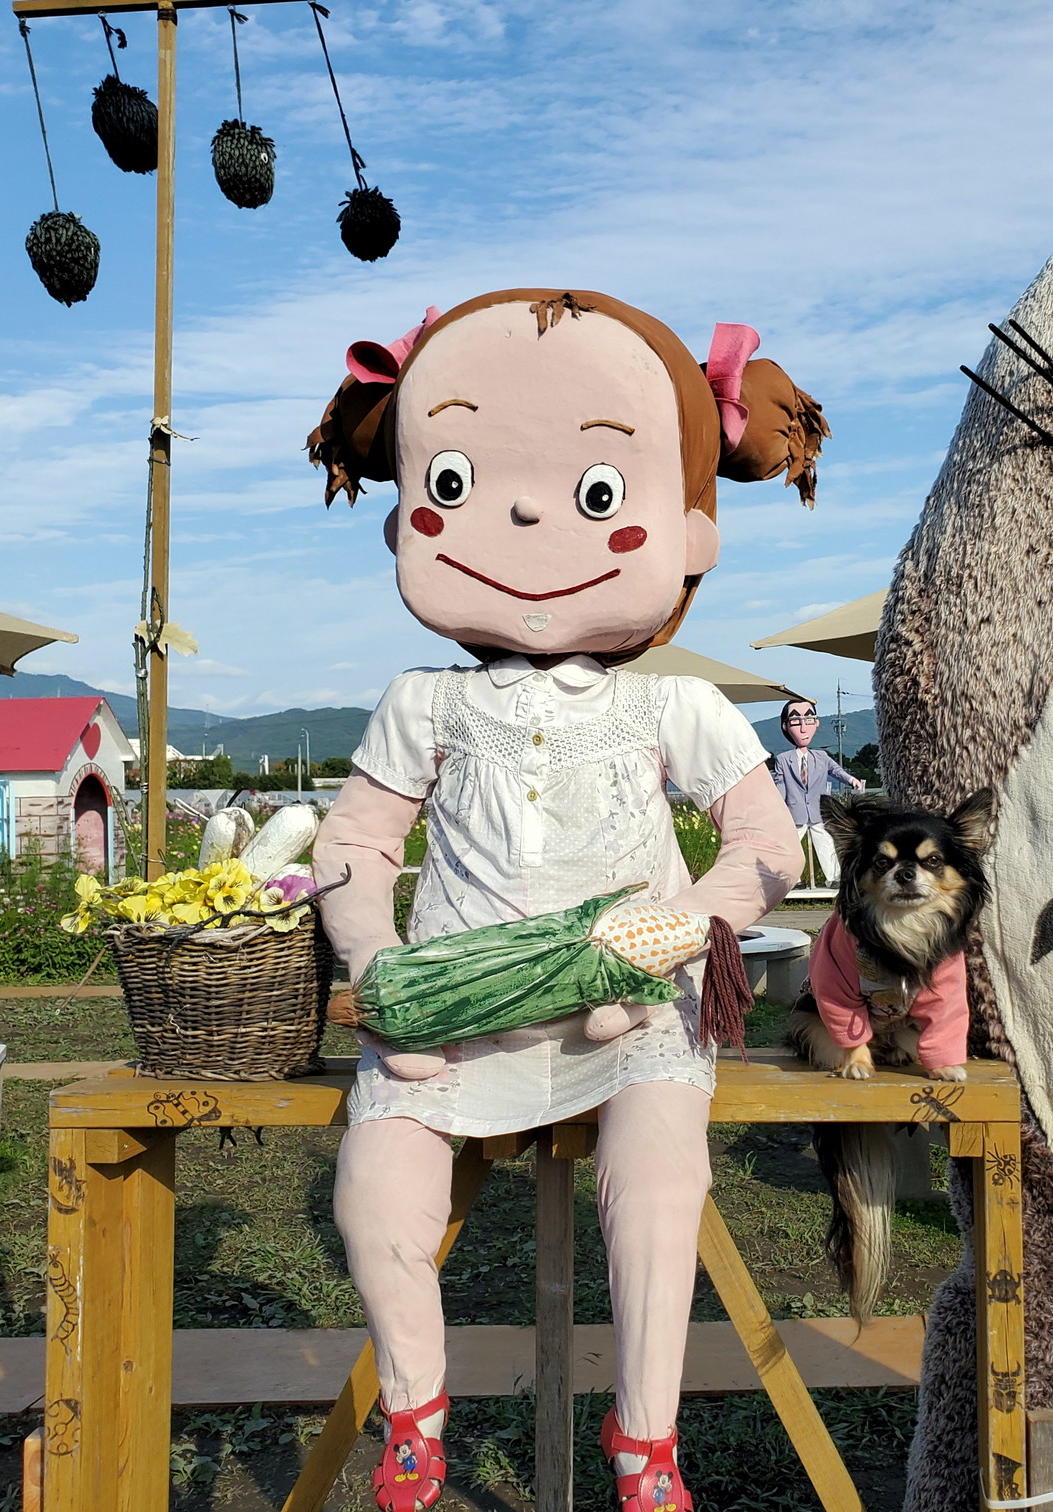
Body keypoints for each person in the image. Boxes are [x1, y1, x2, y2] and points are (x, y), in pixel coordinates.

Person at [307, 292, 821, 1512]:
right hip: (447, 1015)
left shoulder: (673, 706)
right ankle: (417, 1413)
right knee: (373, 1183)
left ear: (689, 525)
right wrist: (377, 959)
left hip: (629, 1012)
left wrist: (684, 923)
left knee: (658, 1188)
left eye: (601, 494)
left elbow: (767, 839)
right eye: (463, 476)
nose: (531, 514)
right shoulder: (424, 701)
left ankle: (647, 1442)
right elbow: (358, 839)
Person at [769, 700, 863, 887]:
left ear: (816, 723)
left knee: (826, 842)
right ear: (786, 726)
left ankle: (834, 877)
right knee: (791, 846)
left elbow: (836, 771)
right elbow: (780, 784)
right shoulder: (783, 759)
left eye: (810, 719)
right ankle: (793, 879)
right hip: (794, 813)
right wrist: (777, 807)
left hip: (818, 812)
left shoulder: (822, 757)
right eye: (796, 721)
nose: (803, 727)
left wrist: (851, 780)